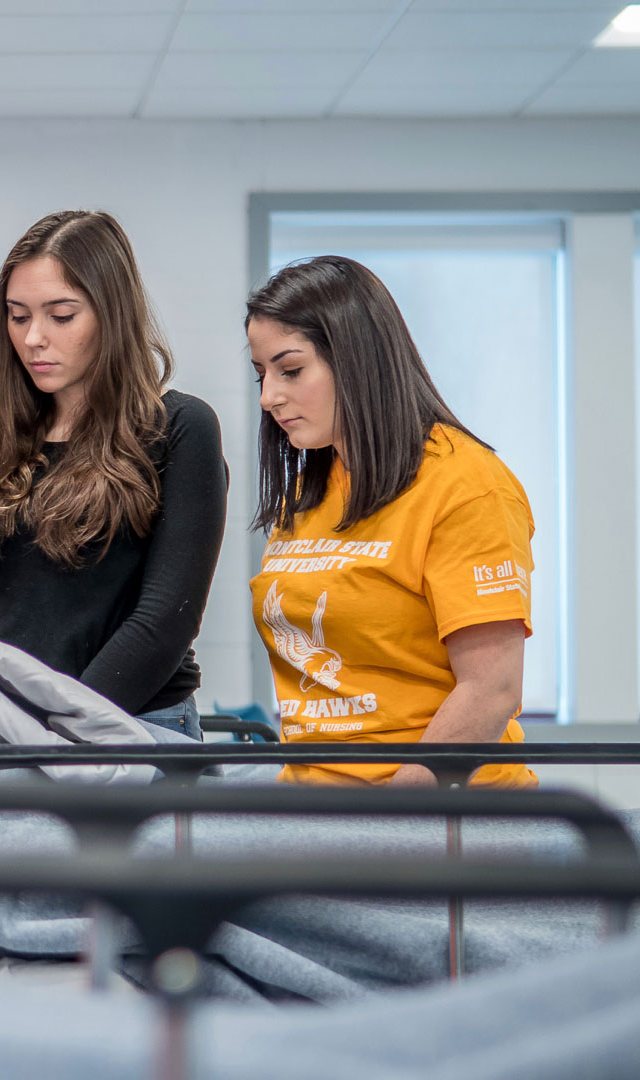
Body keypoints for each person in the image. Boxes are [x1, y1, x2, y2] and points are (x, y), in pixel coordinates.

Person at [246, 257, 536, 788]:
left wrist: (393, 818)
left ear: (358, 360)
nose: (269, 397)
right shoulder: (313, 485)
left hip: (438, 813)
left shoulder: (466, 483)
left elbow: (492, 690)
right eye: (261, 373)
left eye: (290, 370)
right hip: (312, 808)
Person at [0, 211, 226, 739]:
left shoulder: (181, 428)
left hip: (135, 723)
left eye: (61, 316)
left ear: (111, 315)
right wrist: (13, 724)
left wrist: (64, 730)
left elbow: (165, 620)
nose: (33, 339)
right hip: (8, 729)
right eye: (18, 316)